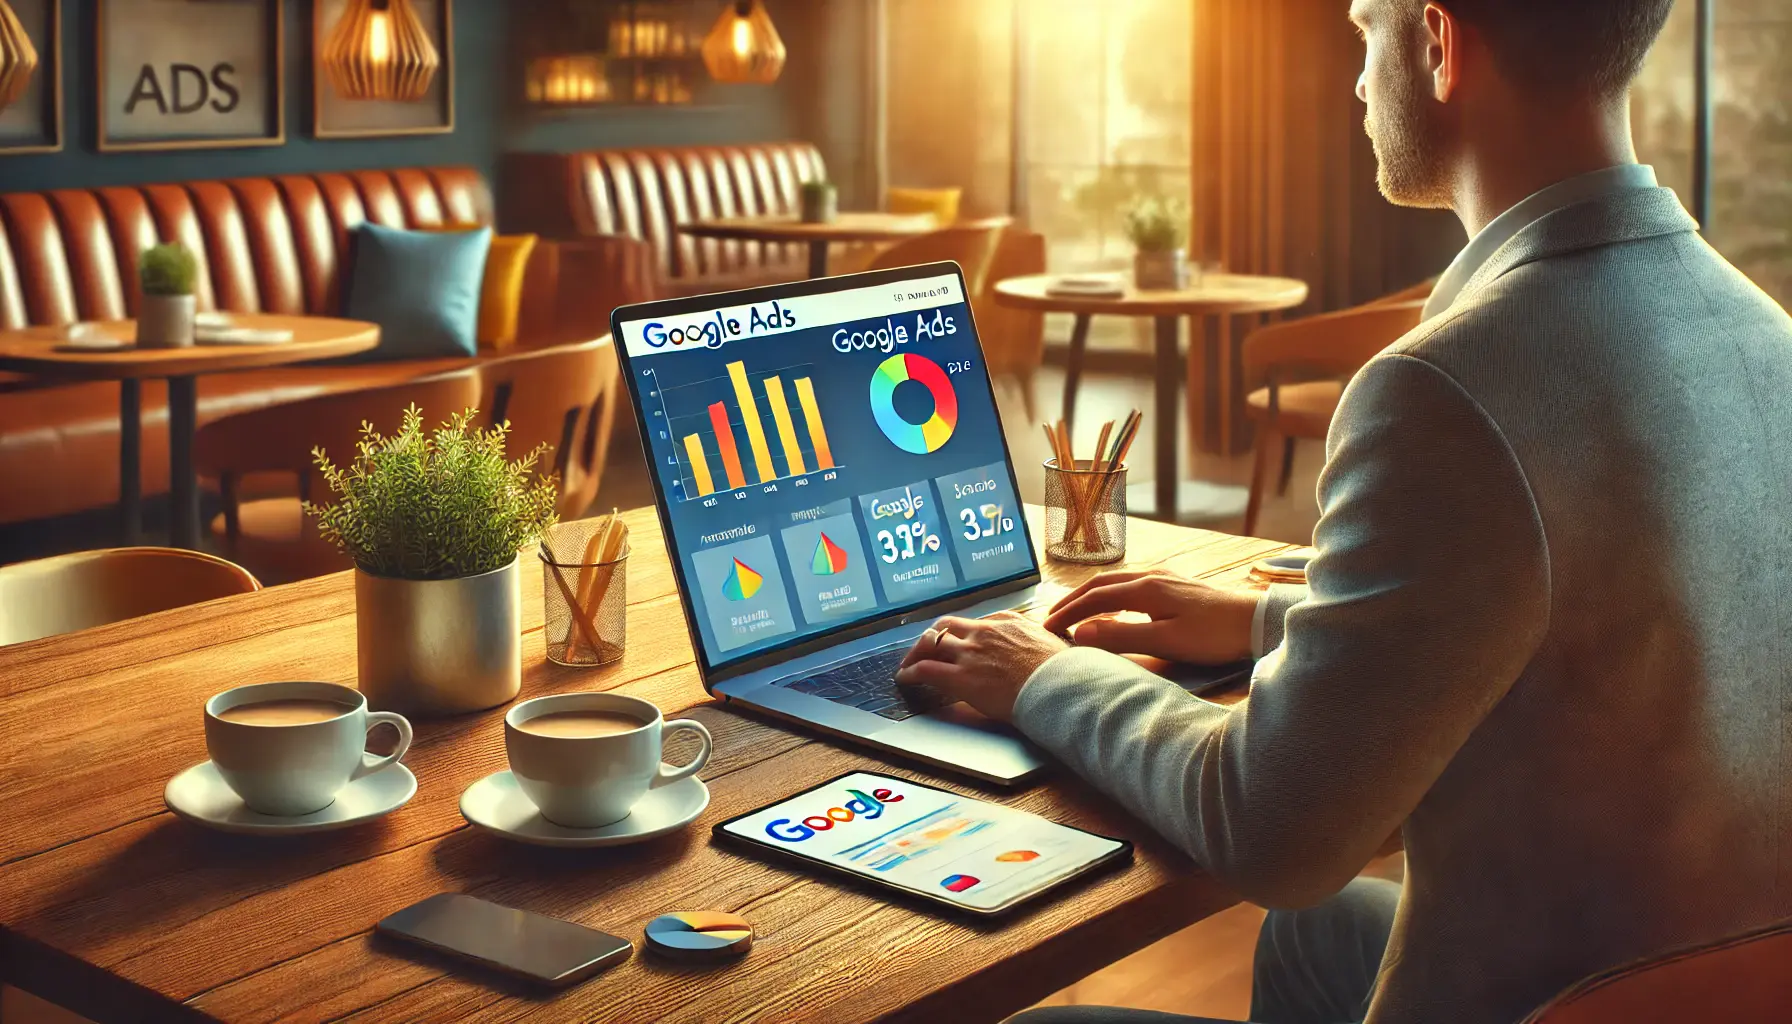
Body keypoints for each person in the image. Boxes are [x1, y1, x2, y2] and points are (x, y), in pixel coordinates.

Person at [896, 1, 1792, 1022]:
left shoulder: (1444, 388)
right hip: (1708, 986)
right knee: (1319, 935)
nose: (1359, 79)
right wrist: (1271, 622)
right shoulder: (1761, 332)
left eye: (1366, 28)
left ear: (1439, 44)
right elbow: (1608, 619)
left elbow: (1275, 826)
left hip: (1535, 1002)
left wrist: (1043, 674)